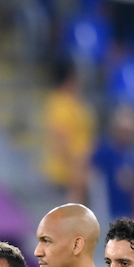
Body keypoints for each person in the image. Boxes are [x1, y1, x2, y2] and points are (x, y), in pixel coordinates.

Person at [41, 60, 95, 203]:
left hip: (80, 174)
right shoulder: (60, 105)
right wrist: (76, 175)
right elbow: (62, 143)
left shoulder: (75, 103)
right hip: (65, 178)